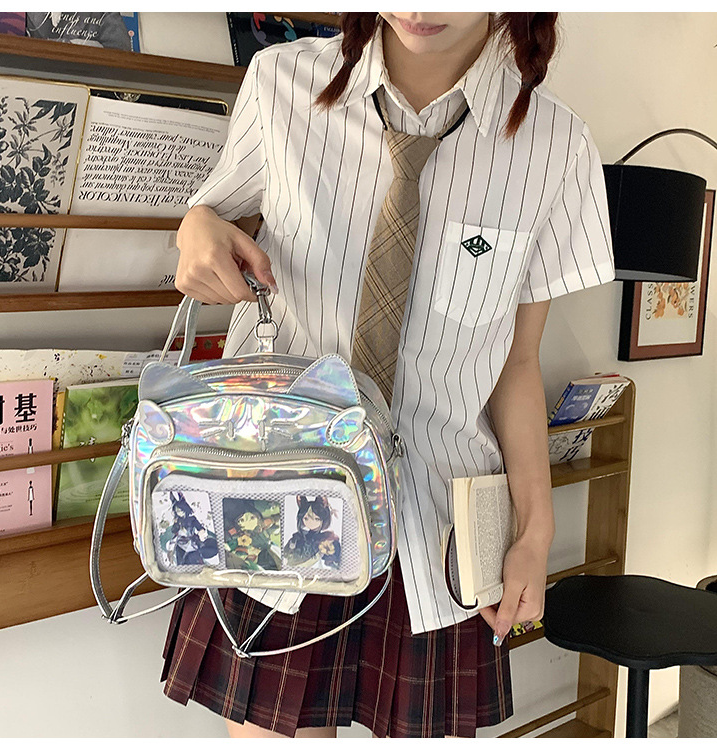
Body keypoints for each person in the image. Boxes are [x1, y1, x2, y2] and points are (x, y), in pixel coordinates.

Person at [161, 12, 616, 738]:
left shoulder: (557, 146)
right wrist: (196, 230)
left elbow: (517, 361)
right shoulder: (281, 83)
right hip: (273, 502)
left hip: (431, 528)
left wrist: (537, 530)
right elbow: (210, 214)